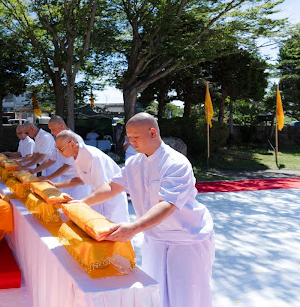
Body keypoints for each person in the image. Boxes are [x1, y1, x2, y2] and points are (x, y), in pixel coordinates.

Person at [78, 113, 214, 307]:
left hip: (185, 238)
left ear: (152, 133)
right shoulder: (135, 162)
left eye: (135, 137)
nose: (131, 142)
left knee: (187, 296)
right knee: (155, 294)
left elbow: (167, 204)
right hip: (155, 238)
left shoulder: (176, 163)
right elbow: (112, 186)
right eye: (129, 138)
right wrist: (81, 203)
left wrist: (133, 228)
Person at [52, 130, 129, 223]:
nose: (59, 152)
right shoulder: (75, 156)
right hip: (97, 196)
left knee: (113, 227)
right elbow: (79, 180)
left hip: (111, 199)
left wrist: (82, 202)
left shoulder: (92, 156)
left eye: (61, 149)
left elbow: (105, 187)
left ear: (72, 144)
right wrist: (55, 185)